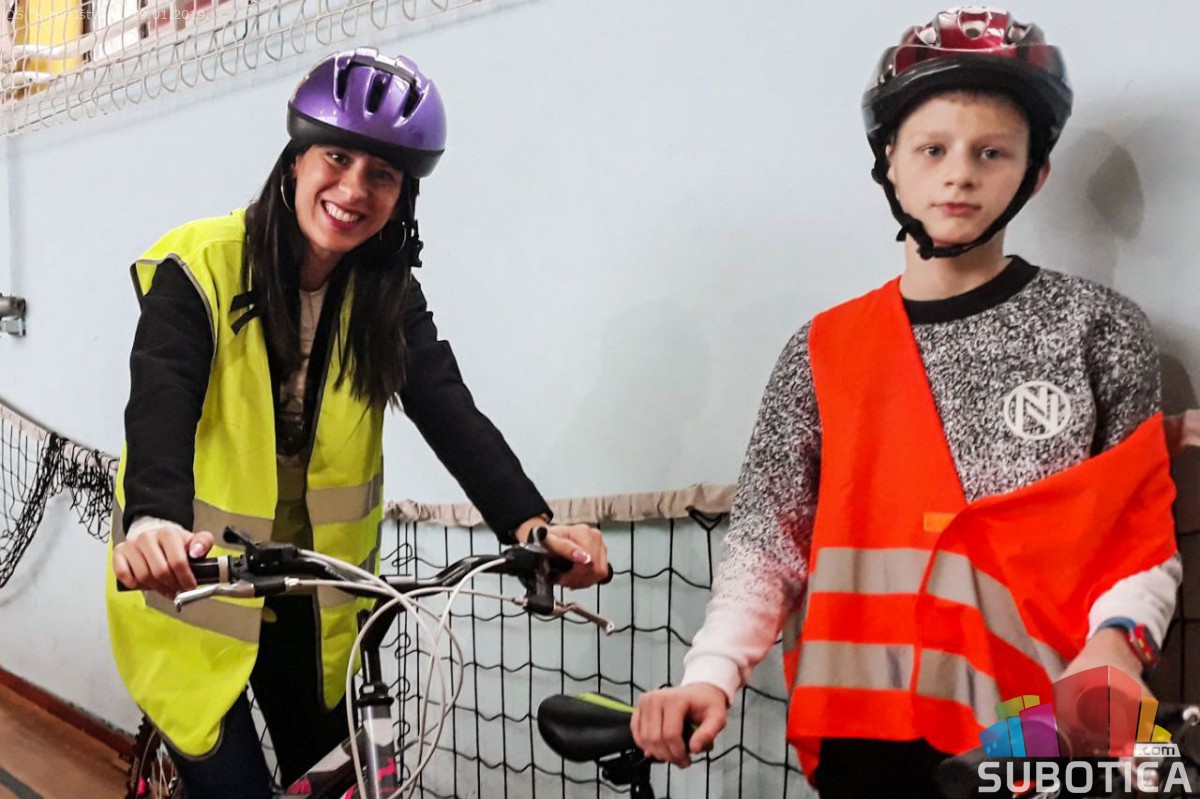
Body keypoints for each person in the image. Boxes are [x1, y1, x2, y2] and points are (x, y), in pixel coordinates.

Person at [631, 9, 1182, 797]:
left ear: (1034, 174)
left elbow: (1138, 534)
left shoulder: (1097, 330)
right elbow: (764, 543)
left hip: (1038, 732)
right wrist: (709, 673)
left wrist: (1119, 645)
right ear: (889, 161)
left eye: (992, 151)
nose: (959, 174)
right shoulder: (821, 350)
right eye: (932, 149)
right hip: (864, 740)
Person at [106, 48, 609, 799]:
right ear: (295, 162)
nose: (353, 190)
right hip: (195, 585)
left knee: (337, 776)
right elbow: (161, 400)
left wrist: (533, 527)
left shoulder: (386, 297)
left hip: (317, 601)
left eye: (383, 174)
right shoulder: (200, 267)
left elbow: (449, 409)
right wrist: (154, 523)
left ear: (403, 196)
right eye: (337, 158)